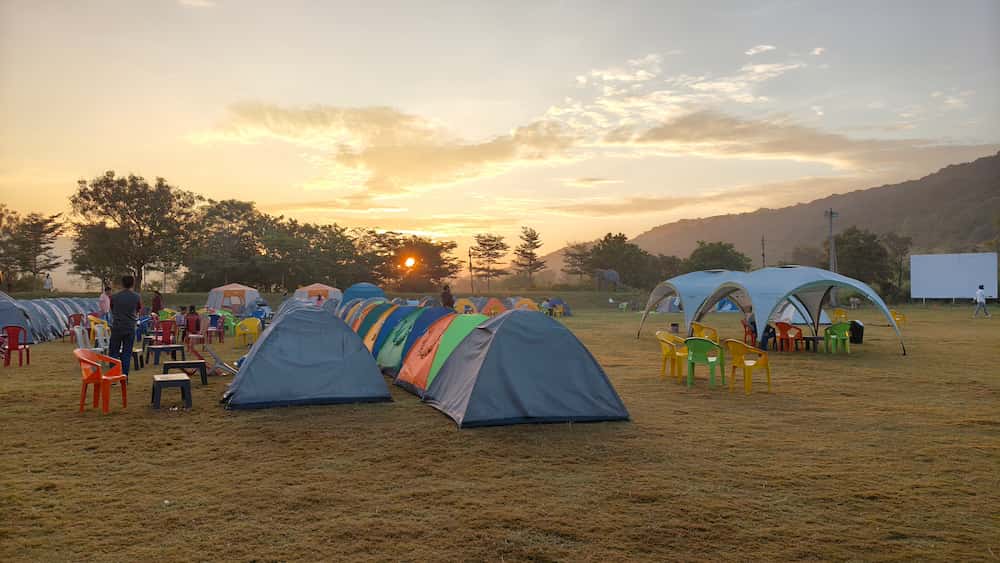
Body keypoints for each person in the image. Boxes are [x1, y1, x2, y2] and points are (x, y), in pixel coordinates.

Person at [109, 275, 143, 380]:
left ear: (122, 283)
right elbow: (138, 309)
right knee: (127, 353)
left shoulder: (114, 296)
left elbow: (112, 309)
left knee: (114, 352)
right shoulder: (136, 297)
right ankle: (124, 377)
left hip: (117, 327)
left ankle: (113, 376)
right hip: (130, 327)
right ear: (132, 284)